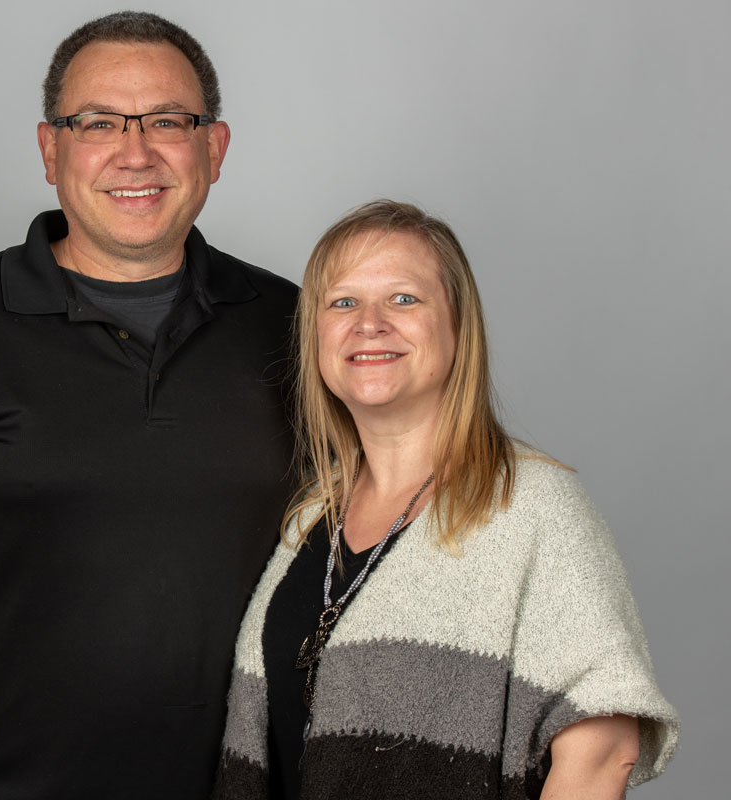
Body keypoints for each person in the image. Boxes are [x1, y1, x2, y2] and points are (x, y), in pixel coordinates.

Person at [0, 12, 297, 800]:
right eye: (98, 122)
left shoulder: (298, 328)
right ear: (50, 150)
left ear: (214, 148)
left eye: (168, 121)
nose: (135, 152)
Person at [213, 201, 679, 799]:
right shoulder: (308, 517)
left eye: (404, 299)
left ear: (459, 327)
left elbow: (603, 750)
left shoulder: (532, 507)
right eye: (343, 302)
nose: (370, 323)